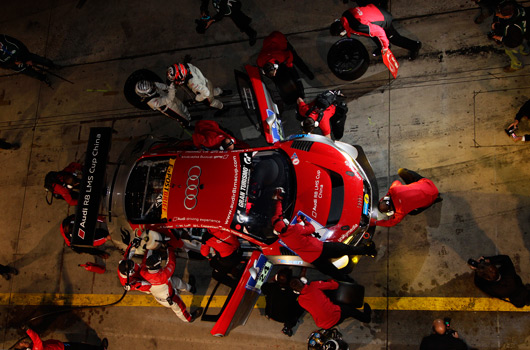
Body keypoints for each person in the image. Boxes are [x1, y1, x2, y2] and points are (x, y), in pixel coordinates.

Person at [271, 188, 376, 283]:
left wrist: (278, 202)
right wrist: (304, 221)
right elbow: (311, 229)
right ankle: (368, 250)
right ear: (285, 224)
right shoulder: (295, 229)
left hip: (313, 259)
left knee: (334, 272)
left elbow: (277, 215)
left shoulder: (282, 235)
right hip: (319, 248)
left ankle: (350, 282)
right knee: (345, 249)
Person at [329, 4, 422, 60]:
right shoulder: (345, 14)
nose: (341, 35)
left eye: (340, 34)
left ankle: (415, 46)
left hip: (383, 19)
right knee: (371, 35)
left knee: (394, 38)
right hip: (374, 11)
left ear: (342, 30)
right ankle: (381, 47)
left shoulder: (358, 26)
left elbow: (379, 32)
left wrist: (385, 47)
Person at [140, 242, 202, 322]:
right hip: (170, 298)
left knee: (177, 281)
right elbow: (171, 262)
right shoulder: (164, 275)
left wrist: (150, 245)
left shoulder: (143, 272)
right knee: (180, 308)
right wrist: (170, 247)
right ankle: (189, 318)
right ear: (158, 265)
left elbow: (145, 260)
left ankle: (190, 288)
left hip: (162, 291)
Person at [290, 278, 371, 329]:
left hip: (323, 325)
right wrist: (329, 281)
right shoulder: (314, 285)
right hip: (335, 316)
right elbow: (335, 285)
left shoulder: (300, 301)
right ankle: (366, 318)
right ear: (303, 282)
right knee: (350, 310)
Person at [257, 31, 314, 98]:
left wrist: (289, 65)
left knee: (297, 60)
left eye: (274, 73)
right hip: (269, 43)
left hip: (279, 39)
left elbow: (290, 55)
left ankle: (307, 72)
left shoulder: (280, 57)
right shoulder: (260, 62)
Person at [376, 168, 440, 227]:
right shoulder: (394, 190)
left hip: (431, 199)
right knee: (401, 171)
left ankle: (435, 200)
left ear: (390, 212)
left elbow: (390, 223)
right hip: (428, 183)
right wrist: (388, 194)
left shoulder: (400, 213)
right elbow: (397, 182)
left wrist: (375, 222)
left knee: (413, 212)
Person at [261, 267, 305, 337]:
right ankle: (288, 326)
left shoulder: (270, 287)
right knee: (303, 303)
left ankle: (288, 327)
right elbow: (301, 287)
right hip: (285, 318)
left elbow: (263, 287)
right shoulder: (292, 290)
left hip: (270, 314)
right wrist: (303, 271)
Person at [489, 2, 529, 73]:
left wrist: (498, 37)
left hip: (514, 41)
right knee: (522, 41)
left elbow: (512, 42)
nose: (497, 14)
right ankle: (525, 50)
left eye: (499, 13)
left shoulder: (512, 27)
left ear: (506, 16)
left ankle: (517, 65)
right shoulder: (518, 9)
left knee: (511, 51)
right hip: (524, 33)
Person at [15, 327, 108, 350]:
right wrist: (27, 329)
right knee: (82, 347)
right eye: (22, 344)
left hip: (61, 346)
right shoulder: (36, 348)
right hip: (63, 348)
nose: (23, 341)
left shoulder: (33, 347)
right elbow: (36, 338)